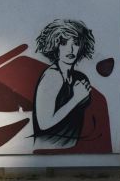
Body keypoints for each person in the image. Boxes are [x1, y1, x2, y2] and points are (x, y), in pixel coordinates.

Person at [32, 19, 96, 147]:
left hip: (72, 149)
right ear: (55, 45)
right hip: (48, 150)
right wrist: (76, 98)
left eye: (76, 43)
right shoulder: (52, 76)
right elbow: (44, 124)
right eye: (64, 43)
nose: (71, 49)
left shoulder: (79, 77)